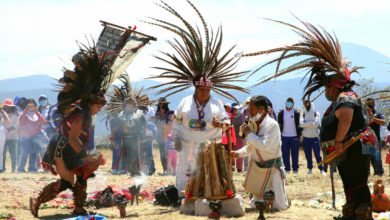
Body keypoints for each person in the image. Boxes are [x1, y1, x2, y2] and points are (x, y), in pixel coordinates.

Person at [242, 17, 378, 219]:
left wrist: (339, 141)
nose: (325, 91)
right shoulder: (344, 97)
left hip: (354, 147)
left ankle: (361, 214)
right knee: (350, 182)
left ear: (335, 85)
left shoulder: (346, 98)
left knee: (357, 182)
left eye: (326, 86)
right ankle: (352, 213)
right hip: (349, 149)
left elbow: (346, 118)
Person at [147, 0, 248, 195]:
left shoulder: (217, 104)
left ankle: (210, 193)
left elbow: (228, 122)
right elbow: (176, 121)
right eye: (201, 90)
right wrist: (176, 136)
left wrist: (222, 125)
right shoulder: (185, 103)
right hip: (187, 145)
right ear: (195, 88)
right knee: (186, 174)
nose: (205, 93)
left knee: (211, 174)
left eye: (207, 90)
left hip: (211, 146)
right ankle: (184, 194)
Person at [30, 46, 111, 217]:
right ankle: (37, 201)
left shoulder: (87, 114)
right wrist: (86, 157)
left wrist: (91, 157)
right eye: (97, 106)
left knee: (83, 175)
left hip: (72, 147)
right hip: (60, 147)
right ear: (90, 103)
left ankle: (79, 207)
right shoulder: (80, 116)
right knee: (68, 182)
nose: (98, 110)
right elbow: (73, 139)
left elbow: (81, 141)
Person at [233, 95, 289, 210]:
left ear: (262, 110)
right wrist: (237, 154)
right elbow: (250, 148)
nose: (249, 112)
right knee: (256, 206)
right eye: (248, 109)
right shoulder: (252, 124)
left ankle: (284, 200)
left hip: (273, 169)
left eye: (252, 109)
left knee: (279, 206)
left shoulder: (272, 125)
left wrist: (249, 133)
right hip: (258, 170)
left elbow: (264, 146)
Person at [18, 99, 47, 173]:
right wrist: (25, 111)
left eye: (32, 105)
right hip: (26, 137)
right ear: (26, 106)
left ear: (35, 106)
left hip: (36, 136)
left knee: (34, 153)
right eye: (29, 105)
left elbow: (44, 122)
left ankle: (32, 168)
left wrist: (37, 111)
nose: (31, 107)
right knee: (24, 153)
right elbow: (21, 122)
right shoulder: (23, 113)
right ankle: (21, 169)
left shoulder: (37, 113)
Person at [300, 100, 325, 175]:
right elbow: (301, 124)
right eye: (305, 103)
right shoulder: (302, 113)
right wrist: (311, 123)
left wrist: (306, 123)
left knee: (318, 154)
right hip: (306, 138)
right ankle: (310, 169)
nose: (307, 104)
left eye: (308, 103)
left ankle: (321, 169)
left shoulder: (316, 113)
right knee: (308, 155)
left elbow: (317, 124)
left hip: (315, 138)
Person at [277, 97, 301, 174]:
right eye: (288, 102)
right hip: (284, 136)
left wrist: (300, 135)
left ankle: (295, 169)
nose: (289, 104)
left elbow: (299, 124)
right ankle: (287, 169)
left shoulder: (296, 113)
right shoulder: (281, 113)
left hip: (294, 136)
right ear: (286, 103)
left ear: (293, 104)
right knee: (285, 154)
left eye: (290, 102)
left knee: (295, 154)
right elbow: (279, 124)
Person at [366, 98, 386, 176]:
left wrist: (372, 118)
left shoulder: (377, 113)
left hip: (376, 139)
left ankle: (379, 172)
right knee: (367, 157)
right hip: (366, 140)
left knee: (377, 156)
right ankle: (367, 173)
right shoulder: (364, 115)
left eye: (371, 104)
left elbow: (383, 122)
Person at [2, 99, 20, 173]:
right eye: (6, 106)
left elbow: (16, 126)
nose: (8, 108)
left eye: (9, 106)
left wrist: (7, 131)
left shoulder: (17, 114)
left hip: (13, 137)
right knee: (2, 154)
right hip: (3, 137)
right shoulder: (1, 114)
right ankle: (2, 168)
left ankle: (14, 169)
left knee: (13, 153)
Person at [154, 97, 170, 175]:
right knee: (162, 153)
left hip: (168, 137)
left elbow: (170, 125)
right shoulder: (156, 114)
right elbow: (155, 124)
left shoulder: (169, 114)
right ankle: (165, 169)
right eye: (160, 104)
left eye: (163, 104)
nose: (161, 106)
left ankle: (169, 169)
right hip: (159, 136)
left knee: (169, 153)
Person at [231, 103, 244, 172]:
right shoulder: (230, 116)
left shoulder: (242, 116)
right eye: (234, 109)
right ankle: (232, 166)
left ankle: (239, 168)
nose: (236, 110)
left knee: (239, 151)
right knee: (232, 150)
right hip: (231, 136)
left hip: (239, 137)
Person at [164, 111, 177, 175]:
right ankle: (168, 172)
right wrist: (166, 148)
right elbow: (165, 136)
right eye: (170, 116)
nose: (171, 117)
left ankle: (175, 171)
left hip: (175, 149)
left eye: (172, 116)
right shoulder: (166, 125)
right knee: (169, 161)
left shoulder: (177, 125)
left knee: (175, 161)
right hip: (169, 147)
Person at [0, 103, 10, 173]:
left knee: (1, 152)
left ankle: (0, 168)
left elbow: (7, 121)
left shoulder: (2, 112)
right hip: (1, 132)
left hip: (1, 132)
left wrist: (2, 111)